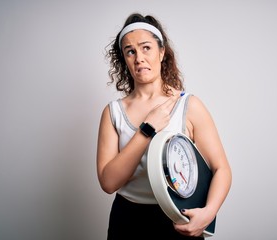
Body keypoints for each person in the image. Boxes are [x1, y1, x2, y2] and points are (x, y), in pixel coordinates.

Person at [96, 13, 232, 240]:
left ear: (161, 53)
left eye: (146, 47)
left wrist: (208, 213)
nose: (139, 57)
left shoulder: (188, 105)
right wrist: (146, 130)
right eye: (130, 51)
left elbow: (222, 169)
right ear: (124, 60)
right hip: (127, 220)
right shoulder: (113, 112)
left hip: (179, 218)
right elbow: (109, 183)